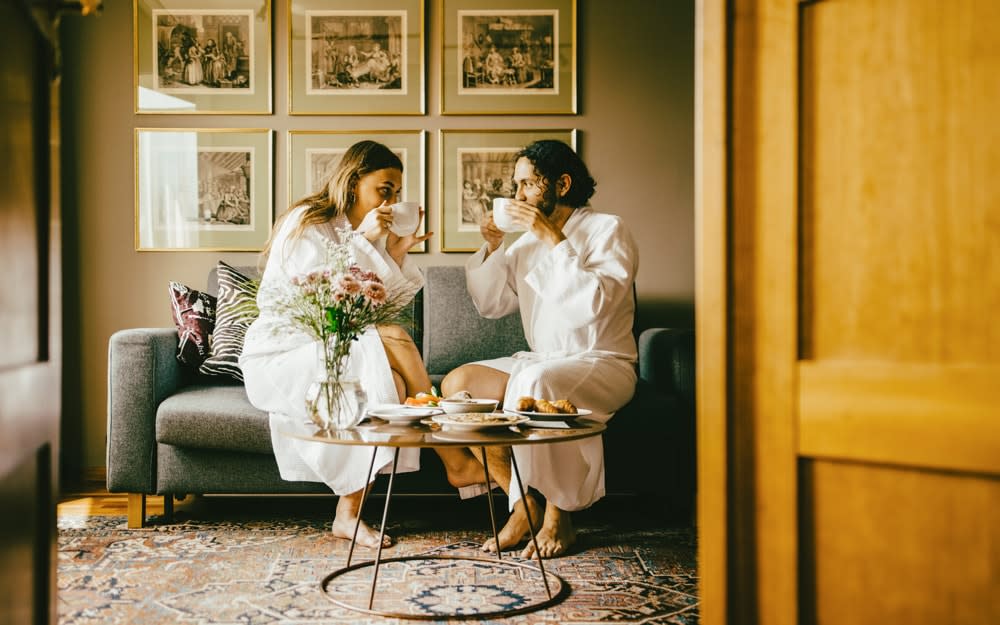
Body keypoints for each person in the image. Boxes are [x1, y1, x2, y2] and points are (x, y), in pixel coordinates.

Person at [240, 141, 487, 549]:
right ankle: (454, 458)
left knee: (395, 385)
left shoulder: (362, 233)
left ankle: (348, 514)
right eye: (384, 189)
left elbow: (374, 305)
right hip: (285, 352)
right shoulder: (307, 220)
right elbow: (318, 300)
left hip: (335, 346)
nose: (391, 200)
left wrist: (393, 251)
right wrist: (364, 244)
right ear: (354, 183)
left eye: (396, 193)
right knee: (394, 336)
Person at [441, 140, 639, 559]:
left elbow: (592, 305)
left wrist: (553, 238)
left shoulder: (609, 229)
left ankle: (558, 517)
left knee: (537, 380)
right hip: (545, 362)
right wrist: (495, 246)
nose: (517, 197)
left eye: (527, 184)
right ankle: (521, 504)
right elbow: (491, 305)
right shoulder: (524, 244)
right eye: (516, 186)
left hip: (602, 361)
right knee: (460, 384)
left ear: (562, 184)